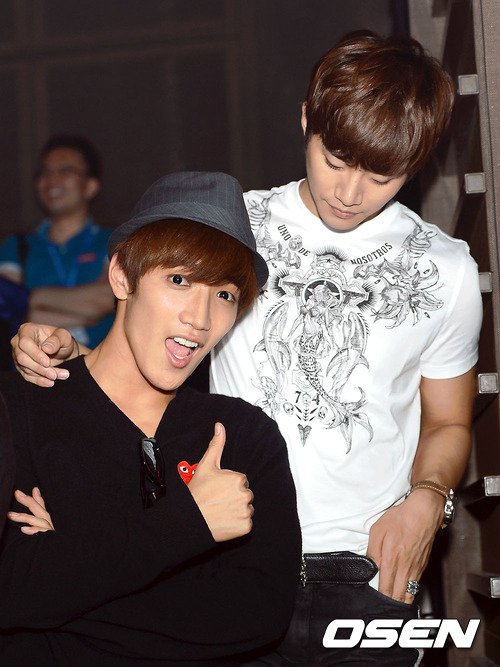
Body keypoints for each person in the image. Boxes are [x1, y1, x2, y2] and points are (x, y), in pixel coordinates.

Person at [11, 31, 483, 666]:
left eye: (381, 176)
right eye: (335, 160)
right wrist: (66, 351)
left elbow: (449, 421)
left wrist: (428, 498)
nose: (349, 193)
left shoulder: (447, 270)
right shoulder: (237, 227)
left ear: (416, 163)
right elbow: (152, 323)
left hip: (368, 570)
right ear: (307, 120)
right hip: (224, 551)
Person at [0, 171, 301, 665]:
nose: (200, 318)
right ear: (122, 276)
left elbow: (261, 615)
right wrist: (188, 523)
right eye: (179, 280)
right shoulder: (22, 407)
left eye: (224, 294)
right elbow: (12, 590)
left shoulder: (244, 435)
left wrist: (66, 573)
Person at [0, 135, 115, 349]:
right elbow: (9, 311)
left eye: (65, 171)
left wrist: (28, 298)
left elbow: (106, 298)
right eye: (45, 172)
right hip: (31, 366)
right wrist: (85, 313)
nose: (52, 179)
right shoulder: (16, 246)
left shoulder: (116, 240)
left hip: (97, 366)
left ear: (90, 186)